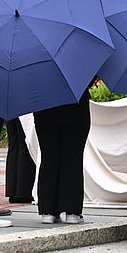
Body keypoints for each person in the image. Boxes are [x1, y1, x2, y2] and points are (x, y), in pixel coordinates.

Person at [33, 85, 91, 224]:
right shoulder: (78, 64)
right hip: (74, 103)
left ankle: (48, 211)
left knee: (49, 157)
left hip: (44, 103)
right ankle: (71, 211)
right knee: (72, 158)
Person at [5, 118, 35, 204]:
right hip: (25, 109)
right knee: (25, 145)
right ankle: (24, 191)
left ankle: (12, 191)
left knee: (14, 145)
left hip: (11, 108)